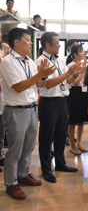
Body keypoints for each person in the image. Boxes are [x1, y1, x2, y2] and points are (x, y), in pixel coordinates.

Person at [0, 28, 55, 199]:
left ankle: (23, 174)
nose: (31, 43)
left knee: (29, 146)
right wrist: (40, 74)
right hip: (16, 110)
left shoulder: (29, 61)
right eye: (27, 40)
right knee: (15, 149)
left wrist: (44, 74)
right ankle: (10, 183)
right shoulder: (7, 62)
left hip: (31, 108)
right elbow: (18, 87)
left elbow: (38, 83)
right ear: (16, 42)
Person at [36, 32, 84, 183]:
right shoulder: (41, 61)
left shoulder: (59, 60)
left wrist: (75, 74)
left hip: (62, 100)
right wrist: (67, 75)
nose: (59, 44)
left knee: (60, 135)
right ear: (47, 45)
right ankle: (46, 169)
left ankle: (60, 163)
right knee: (46, 137)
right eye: (56, 42)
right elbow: (48, 84)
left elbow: (67, 81)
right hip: (49, 102)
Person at [66, 44, 88, 155]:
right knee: (73, 121)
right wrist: (83, 72)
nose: (82, 53)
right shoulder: (71, 66)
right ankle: (72, 145)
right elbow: (74, 82)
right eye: (80, 52)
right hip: (74, 93)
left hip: (83, 92)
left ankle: (79, 143)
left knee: (81, 120)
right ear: (74, 54)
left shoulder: (84, 64)